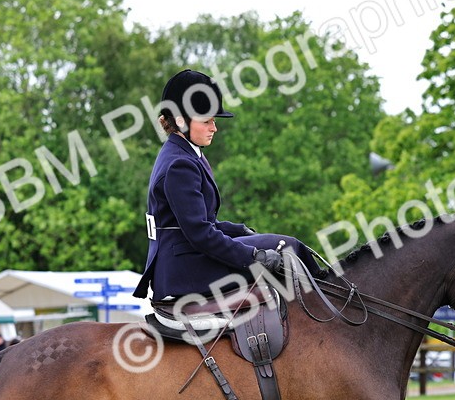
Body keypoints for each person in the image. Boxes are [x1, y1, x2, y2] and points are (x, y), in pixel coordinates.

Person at [132, 69, 320, 302]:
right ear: (181, 121)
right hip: (185, 269)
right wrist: (255, 256)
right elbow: (201, 234)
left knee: (287, 246)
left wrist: (238, 230)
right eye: (207, 121)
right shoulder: (179, 164)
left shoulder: (185, 153)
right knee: (288, 249)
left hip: (188, 256)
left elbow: (200, 223)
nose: (214, 128)